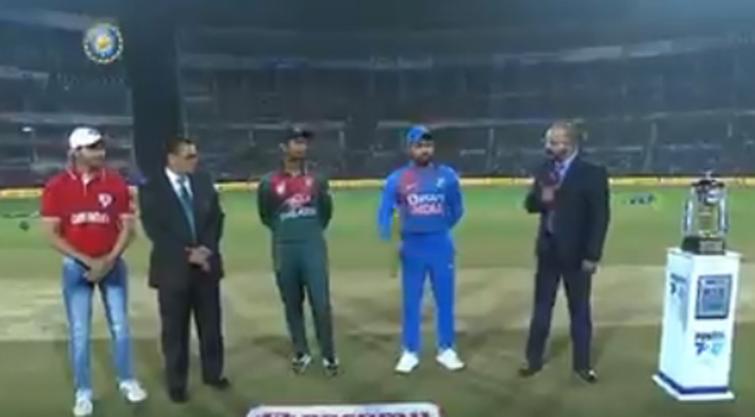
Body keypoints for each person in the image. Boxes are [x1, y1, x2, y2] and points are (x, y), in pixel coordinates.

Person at [40, 127, 147, 417]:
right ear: (76, 152)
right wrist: (88, 261)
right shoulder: (57, 186)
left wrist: (108, 260)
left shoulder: (115, 182)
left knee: (120, 327)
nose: (100, 152)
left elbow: (128, 228)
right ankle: (83, 392)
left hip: (112, 264)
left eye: (100, 146)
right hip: (76, 268)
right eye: (92, 147)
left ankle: (127, 380)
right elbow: (51, 234)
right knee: (80, 332)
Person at [519, 120, 610, 383]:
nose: (550, 147)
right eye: (549, 142)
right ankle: (533, 360)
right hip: (548, 250)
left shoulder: (592, 172)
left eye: (555, 142)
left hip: (578, 254)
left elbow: (600, 217)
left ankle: (582, 366)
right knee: (541, 309)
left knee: (579, 311)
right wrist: (541, 197)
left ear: (569, 143)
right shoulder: (545, 169)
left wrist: (592, 255)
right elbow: (530, 205)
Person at [138, 137, 228, 402]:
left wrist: (206, 249)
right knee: (175, 332)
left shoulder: (202, 181)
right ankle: (177, 384)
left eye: (195, 155)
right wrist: (189, 254)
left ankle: (213, 374)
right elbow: (155, 229)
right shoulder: (152, 188)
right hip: (172, 270)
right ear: (172, 159)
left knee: (211, 327)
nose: (195, 161)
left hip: (206, 267)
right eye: (189, 157)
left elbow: (216, 219)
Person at [377, 125, 465, 374]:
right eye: (419, 146)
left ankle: (446, 349)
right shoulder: (398, 179)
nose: (424, 150)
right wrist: (389, 235)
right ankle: (410, 351)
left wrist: (439, 227)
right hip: (412, 246)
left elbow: (457, 209)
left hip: (440, 244)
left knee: (445, 299)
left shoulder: (447, 176)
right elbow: (385, 211)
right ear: (409, 148)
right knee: (411, 301)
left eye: (428, 145)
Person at [257, 128, 339, 377]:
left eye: (304, 142)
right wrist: (287, 230)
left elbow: (325, 213)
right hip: (285, 248)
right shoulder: (268, 183)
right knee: (292, 303)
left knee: (321, 303)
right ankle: (301, 352)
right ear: (284, 147)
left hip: (312, 246)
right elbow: (266, 216)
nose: (301, 147)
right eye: (296, 142)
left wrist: (308, 231)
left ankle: (328, 355)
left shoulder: (317, 180)